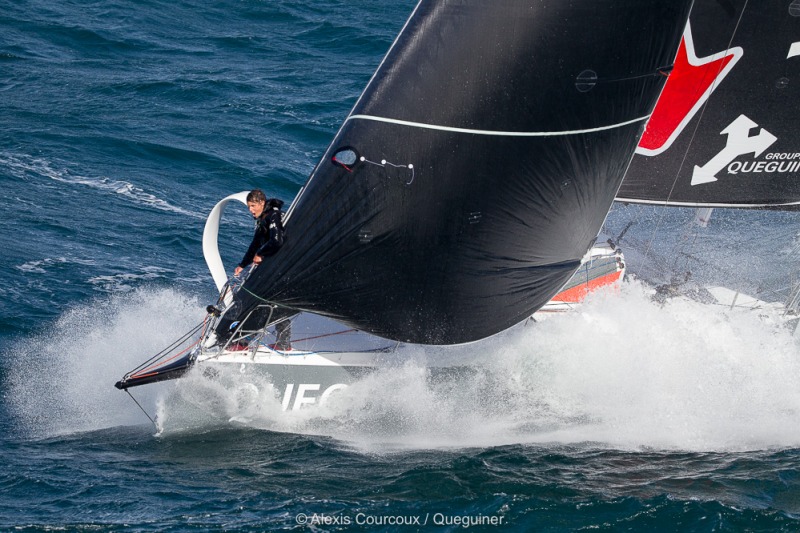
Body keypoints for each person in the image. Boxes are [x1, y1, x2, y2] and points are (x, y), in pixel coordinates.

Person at [231, 189, 292, 350]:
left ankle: (245, 341)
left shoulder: (274, 216)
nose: (250, 210)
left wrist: (261, 254)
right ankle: (283, 343)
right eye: (248, 207)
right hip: (275, 269)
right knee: (274, 303)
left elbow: (277, 241)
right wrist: (242, 264)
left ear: (261, 203)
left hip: (281, 269)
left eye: (252, 206)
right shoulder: (263, 218)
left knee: (264, 303)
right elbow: (255, 244)